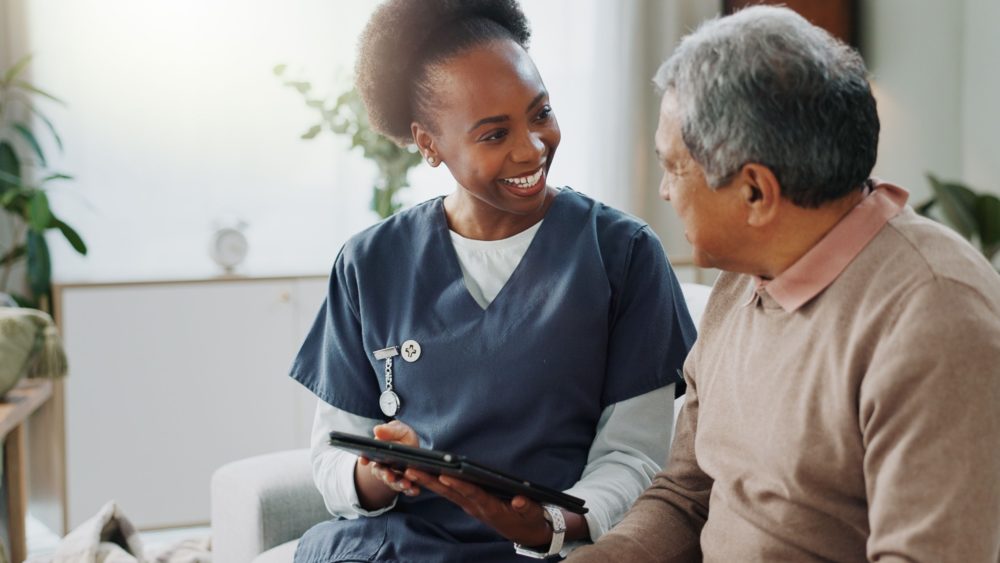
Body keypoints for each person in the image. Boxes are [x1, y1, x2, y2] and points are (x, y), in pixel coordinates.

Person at [566, 5, 1000, 562]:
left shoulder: (936, 317)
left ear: (755, 192)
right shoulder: (741, 281)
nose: (666, 192)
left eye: (674, 167)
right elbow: (686, 495)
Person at [288, 1, 696, 561]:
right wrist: (379, 473)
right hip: (399, 547)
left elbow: (637, 459)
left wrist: (547, 522)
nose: (531, 147)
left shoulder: (623, 255)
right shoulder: (369, 262)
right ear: (429, 144)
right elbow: (331, 457)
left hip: (547, 549)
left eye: (541, 113)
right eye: (493, 134)